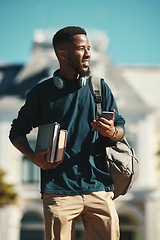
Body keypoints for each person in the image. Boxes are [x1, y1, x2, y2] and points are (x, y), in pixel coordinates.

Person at [9, 26, 125, 240]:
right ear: (62, 54)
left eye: (89, 48)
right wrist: (34, 157)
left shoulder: (100, 88)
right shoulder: (41, 93)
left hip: (98, 188)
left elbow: (119, 130)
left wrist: (112, 132)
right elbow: (16, 132)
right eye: (82, 48)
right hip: (58, 192)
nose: (89, 53)